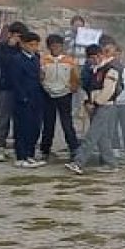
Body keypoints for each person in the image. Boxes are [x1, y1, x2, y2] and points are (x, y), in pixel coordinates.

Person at [66, 45, 124, 175]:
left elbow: (108, 91)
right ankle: (112, 164)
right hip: (95, 105)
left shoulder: (111, 69)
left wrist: (96, 103)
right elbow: (89, 88)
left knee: (92, 135)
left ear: (100, 55)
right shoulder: (95, 70)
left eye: (93, 57)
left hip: (105, 106)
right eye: (90, 58)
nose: (92, 60)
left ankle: (78, 162)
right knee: (101, 137)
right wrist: (88, 102)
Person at [5, 32, 46, 168]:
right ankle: (20, 156)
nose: (33, 47)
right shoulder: (16, 59)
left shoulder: (36, 58)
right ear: (22, 44)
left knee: (35, 127)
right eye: (30, 45)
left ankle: (30, 154)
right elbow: (15, 81)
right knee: (22, 127)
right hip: (22, 98)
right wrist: (22, 96)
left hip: (37, 96)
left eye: (36, 45)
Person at [0, 21, 27, 162]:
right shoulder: (2, 47)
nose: (18, 39)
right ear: (10, 35)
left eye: (20, 36)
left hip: (22, 88)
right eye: (16, 36)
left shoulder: (23, 48)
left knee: (21, 118)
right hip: (7, 87)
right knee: (4, 118)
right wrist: (11, 48)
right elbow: (1, 62)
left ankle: (21, 147)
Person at [39, 34, 80, 162]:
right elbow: (40, 77)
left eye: (58, 46)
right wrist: (45, 87)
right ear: (49, 47)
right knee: (48, 124)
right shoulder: (43, 61)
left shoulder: (69, 61)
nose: (56, 48)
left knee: (67, 123)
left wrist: (72, 88)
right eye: (53, 46)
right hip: (48, 95)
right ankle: (45, 150)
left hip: (65, 95)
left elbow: (75, 77)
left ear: (62, 46)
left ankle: (74, 148)